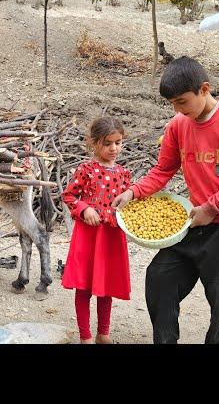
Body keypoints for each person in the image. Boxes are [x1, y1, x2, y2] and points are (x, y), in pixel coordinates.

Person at [112, 57, 219, 344]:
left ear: (204, 89)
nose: (177, 110)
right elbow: (162, 170)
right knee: (160, 279)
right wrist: (133, 192)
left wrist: (212, 207)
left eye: (182, 101)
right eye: (172, 103)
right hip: (193, 222)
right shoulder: (178, 125)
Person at [61, 116, 132, 344]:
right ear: (94, 143)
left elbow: (130, 204)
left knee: (106, 285)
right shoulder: (86, 169)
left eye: (118, 142)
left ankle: (103, 333)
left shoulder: (124, 174)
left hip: (111, 236)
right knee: (84, 287)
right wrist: (84, 209)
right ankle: (85, 336)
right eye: (107, 143)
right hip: (88, 236)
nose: (114, 148)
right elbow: (69, 195)